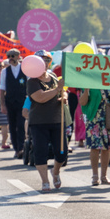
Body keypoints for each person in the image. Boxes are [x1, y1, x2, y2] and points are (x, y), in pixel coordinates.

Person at [26, 50, 67, 193]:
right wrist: (57, 90)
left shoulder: (54, 76)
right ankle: (44, 181)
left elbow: (62, 91)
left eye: (46, 59)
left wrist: (64, 96)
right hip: (39, 122)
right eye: (41, 59)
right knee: (40, 152)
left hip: (57, 120)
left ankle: (55, 172)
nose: (44, 62)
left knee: (62, 153)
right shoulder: (32, 81)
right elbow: (40, 97)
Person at [79, 87, 110, 185]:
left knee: (107, 147)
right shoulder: (89, 83)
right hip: (94, 119)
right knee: (95, 147)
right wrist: (86, 91)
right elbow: (82, 102)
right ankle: (95, 176)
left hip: (109, 119)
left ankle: (104, 176)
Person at [0, 49, 27, 158]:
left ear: (18, 56)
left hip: (22, 101)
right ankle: (16, 148)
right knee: (12, 125)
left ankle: (21, 147)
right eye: (8, 56)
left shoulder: (25, 69)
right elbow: (2, 88)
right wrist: (2, 104)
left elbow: (29, 85)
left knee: (20, 125)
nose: (10, 58)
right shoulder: (5, 71)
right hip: (10, 102)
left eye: (13, 56)